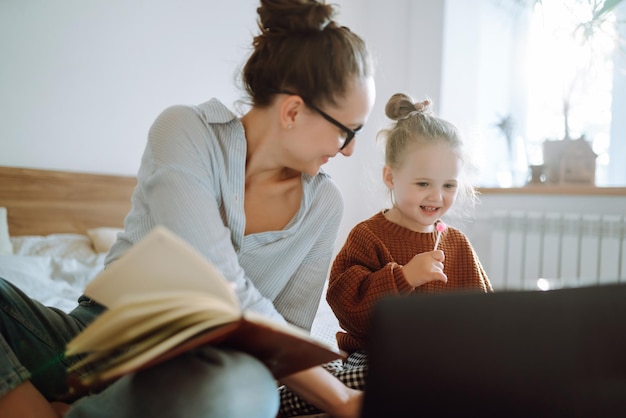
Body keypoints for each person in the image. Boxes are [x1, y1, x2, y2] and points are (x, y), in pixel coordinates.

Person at [0, 0, 376, 417]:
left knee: (245, 390)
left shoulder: (324, 206)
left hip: (200, 372)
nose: (350, 150)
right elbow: (212, 276)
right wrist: (340, 398)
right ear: (292, 111)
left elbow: (288, 340)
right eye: (348, 131)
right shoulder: (184, 129)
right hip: (95, 342)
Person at [277, 92, 493, 415]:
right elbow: (347, 307)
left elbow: (485, 315)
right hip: (376, 356)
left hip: (439, 362)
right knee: (383, 378)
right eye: (423, 184)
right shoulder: (368, 237)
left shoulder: (457, 244)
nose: (437, 196)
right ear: (390, 176)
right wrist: (404, 277)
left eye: (449, 185)